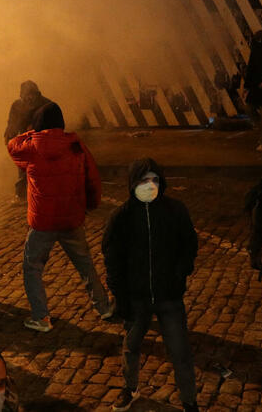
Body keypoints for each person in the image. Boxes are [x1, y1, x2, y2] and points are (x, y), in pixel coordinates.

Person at [102, 158, 199, 412]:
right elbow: (113, 260)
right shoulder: (121, 218)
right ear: (133, 184)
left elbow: (189, 245)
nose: (150, 185)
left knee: (180, 352)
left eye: (155, 180)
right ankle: (130, 388)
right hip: (136, 298)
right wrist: (120, 296)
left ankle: (190, 402)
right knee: (131, 346)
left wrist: (180, 273)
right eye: (145, 180)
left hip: (169, 296)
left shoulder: (175, 210)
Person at [7, 102, 112, 332]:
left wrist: (31, 132)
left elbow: (12, 145)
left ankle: (42, 318)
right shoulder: (75, 145)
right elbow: (93, 178)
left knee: (32, 267)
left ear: (37, 125)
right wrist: (91, 205)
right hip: (71, 218)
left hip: (42, 222)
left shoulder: (31, 147)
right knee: (85, 265)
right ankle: (103, 307)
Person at [3, 81, 51, 201]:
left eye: (32, 95)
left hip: (43, 141)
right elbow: (12, 123)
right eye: (26, 95)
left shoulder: (47, 104)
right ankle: (22, 197)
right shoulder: (17, 106)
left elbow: (54, 123)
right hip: (25, 142)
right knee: (24, 169)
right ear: (22, 96)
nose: (29, 98)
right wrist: (8, 135)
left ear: (37, 94)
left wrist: (37, 126)